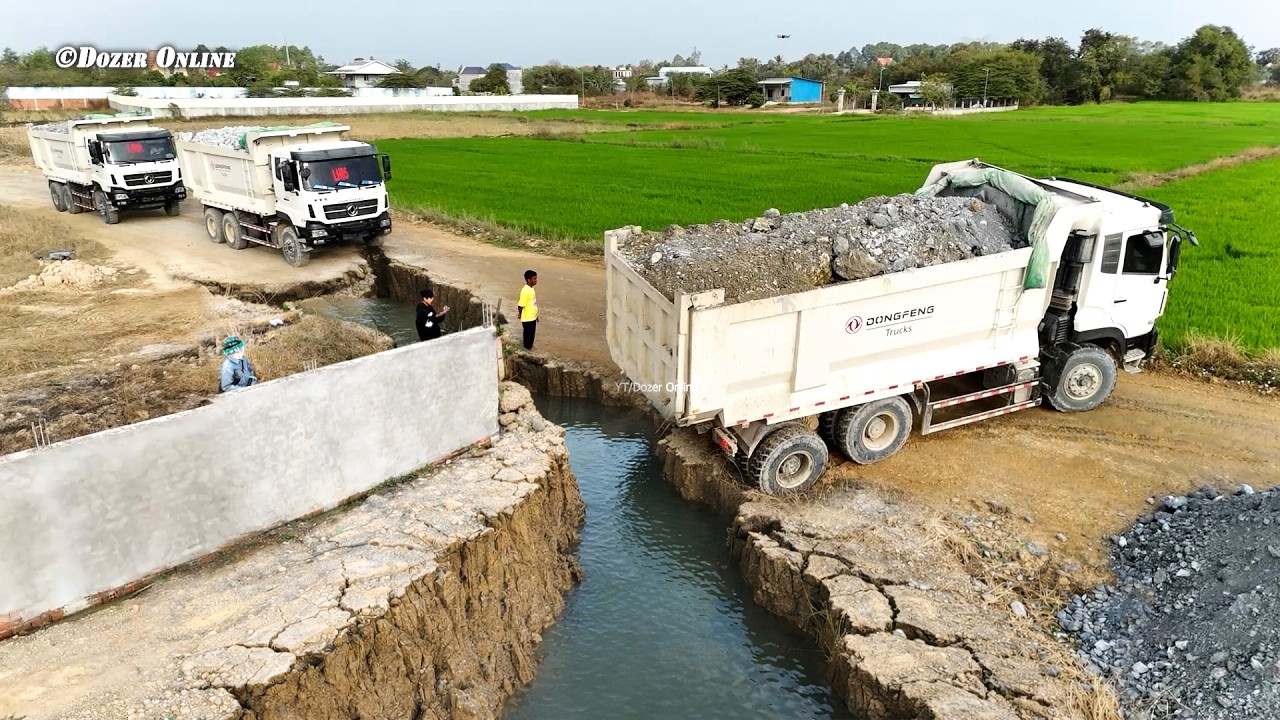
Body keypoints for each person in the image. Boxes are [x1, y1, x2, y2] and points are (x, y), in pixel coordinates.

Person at [518, 269, 538, 350]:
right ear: (529, 280)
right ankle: (526, 351)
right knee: (528, 338)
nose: (536, 280)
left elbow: (532, 303)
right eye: (534, 279)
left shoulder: (531, 288)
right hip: (528, 318)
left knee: (531, 337)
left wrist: (536, 315)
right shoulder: (525, 291)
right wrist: (520, 314)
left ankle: (529, 349)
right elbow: (520, 305)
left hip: (532, 317)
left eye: (536, 278)